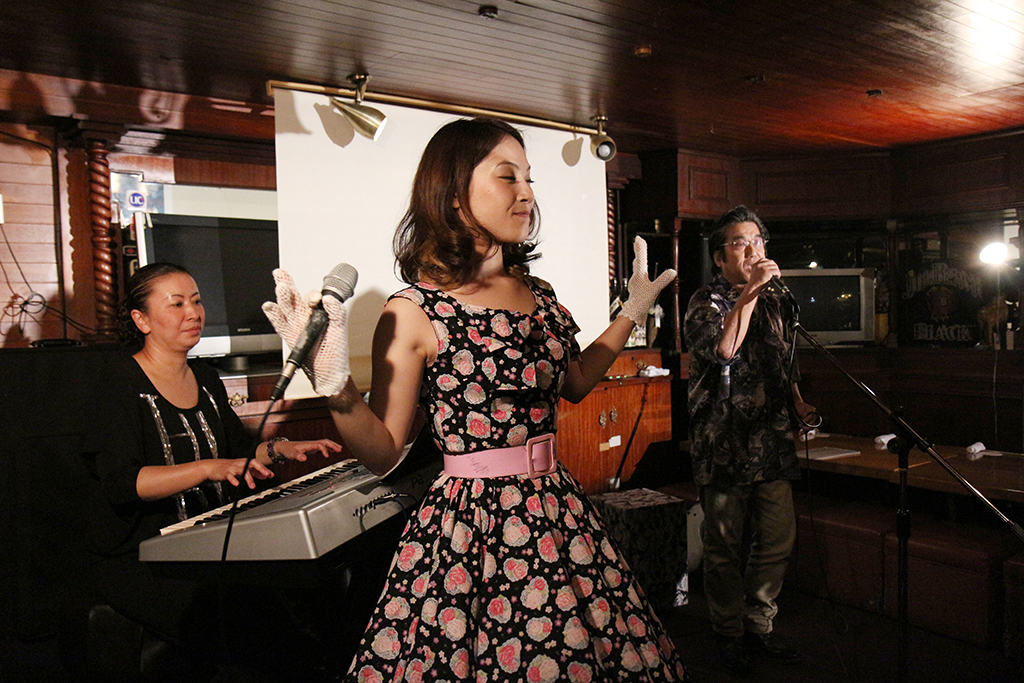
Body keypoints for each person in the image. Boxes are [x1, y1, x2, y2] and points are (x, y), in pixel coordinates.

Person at [263, 117, 688, 681]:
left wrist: (630, 313)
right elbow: (384, 452)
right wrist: (335, 388)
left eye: (530, 179)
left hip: (556, 505)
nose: (527, 193)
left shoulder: (540, 294)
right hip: (471, 523)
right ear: (454, 197)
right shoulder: (413, 310)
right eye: (508, 177)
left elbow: (577, 381)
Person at [88, 262, 342, 680]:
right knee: (249, 627)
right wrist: (206, 469)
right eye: (176, 304)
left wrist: (280, 448)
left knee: (312, 597)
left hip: (211, 540)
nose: (193, 312)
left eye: (197, 301)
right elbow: (123, 482)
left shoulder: (206, 376)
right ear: (141, 320)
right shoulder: (118, 382)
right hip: (146, 556)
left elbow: (238, 454)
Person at [683, 205, 815, 674]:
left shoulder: (776, 300)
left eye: (758, 241)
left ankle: (759, 623)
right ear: (720, 258)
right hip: (723, 441)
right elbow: (723, 349)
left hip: (771, 439)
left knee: (778, 538)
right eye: (741, 243)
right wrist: (750, 293)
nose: (753, 250)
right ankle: (728, 632)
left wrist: (798, 402)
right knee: (723, 546)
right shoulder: (705, 301)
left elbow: (784, 360)